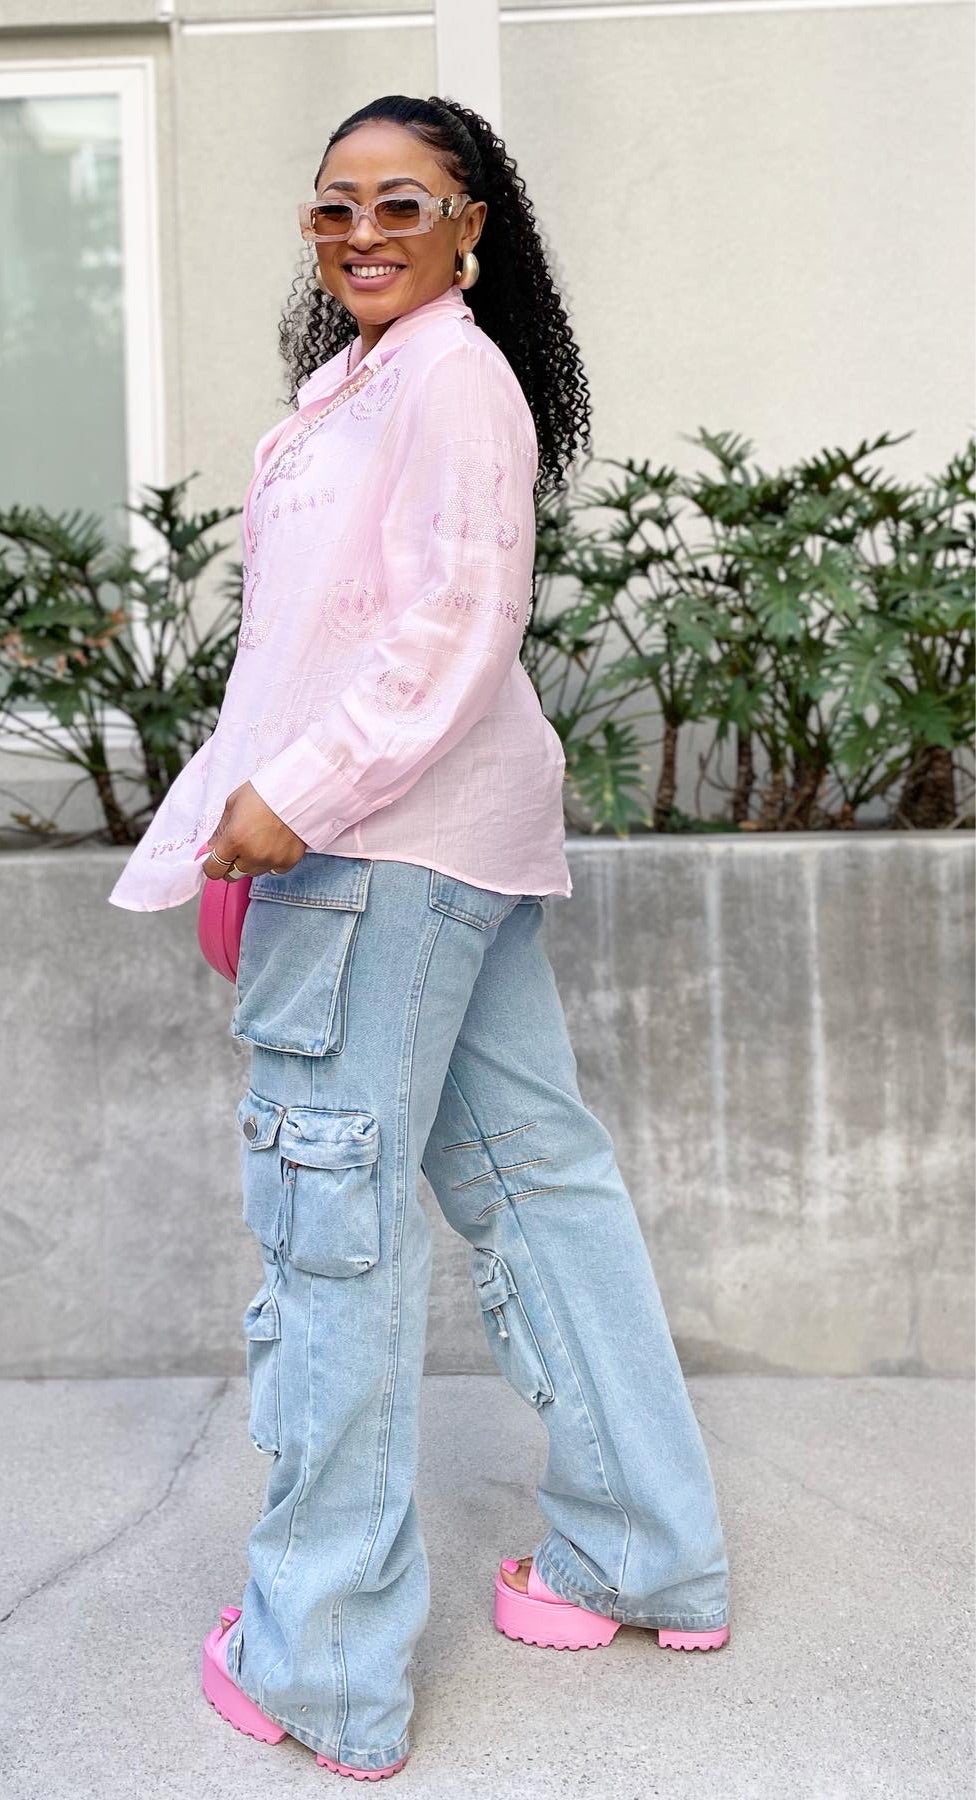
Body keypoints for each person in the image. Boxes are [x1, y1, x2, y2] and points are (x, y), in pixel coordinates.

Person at [109, 91, 730, 1782]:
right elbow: (333, 636)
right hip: (438, 845)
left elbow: (455, 621)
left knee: (335, 1237)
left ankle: (323, 1665)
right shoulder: (381, 382)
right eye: (336, 207)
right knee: (540, 1185)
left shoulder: (449, 377)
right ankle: (643, 1550)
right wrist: (247, 805)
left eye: (403, 202)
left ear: (471, 224)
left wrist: (292, 801)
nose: (363, 232)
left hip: (374, 851)